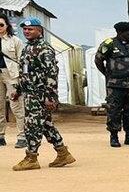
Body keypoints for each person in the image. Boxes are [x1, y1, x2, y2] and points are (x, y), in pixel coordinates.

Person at [12, 18, 75, 171]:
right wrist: (18, 90)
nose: (26, 32)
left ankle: (31, 158)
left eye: (30, 29)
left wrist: (50, 97)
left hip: (39, 95)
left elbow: (52, 73)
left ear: (39, 30)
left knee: (32, 125)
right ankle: (63, 153)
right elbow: (25, 72)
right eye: (25, 29)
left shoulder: (44, 49)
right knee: (46, 125)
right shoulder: (28, 48)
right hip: (29, 93)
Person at [93, 21, 129, 147]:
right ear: (120, 32)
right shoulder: (109, 44)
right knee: (114, 111)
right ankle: (114, 136)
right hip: (115, 85)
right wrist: (107, 74)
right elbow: (98, 60)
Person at [0, 16, 25, 147]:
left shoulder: (15, 41)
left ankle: (22, 136)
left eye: (1, 25)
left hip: (12, 75)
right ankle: (0, 136)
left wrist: (22, 78)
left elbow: (22, 61)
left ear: (7, 26)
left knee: (16, 106)